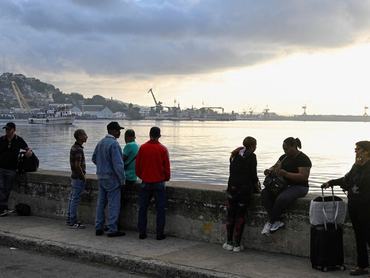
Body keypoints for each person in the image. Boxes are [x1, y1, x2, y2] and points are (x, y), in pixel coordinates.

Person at [322, 141, 370, 276]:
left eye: (358, 149)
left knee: (368, 236)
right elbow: (346, 179)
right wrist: (331, 182)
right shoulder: (356, 166)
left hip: (366, 207)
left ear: (366, 151)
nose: (356, 151)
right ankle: (362, 266)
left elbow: (361, 183)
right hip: (354, 205)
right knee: (359, 237)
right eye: (355, 149)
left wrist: (358, 167)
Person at [261, 137, 311, 234]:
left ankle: (270, 222)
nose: (285, 151)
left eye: (287, 149)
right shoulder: (284, 157)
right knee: (265, 194)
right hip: (283, 185)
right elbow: (275, 166)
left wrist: (286, 174)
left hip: (300, 187)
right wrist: (269, 170)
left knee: (282, 198)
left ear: (294, 146)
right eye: (284, 149)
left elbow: (304, 177)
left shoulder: (303, 159)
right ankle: (277, 221)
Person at [222, 137, 260, 252]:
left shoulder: (234, 154)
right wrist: (257, 187)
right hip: (244, 190)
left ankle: (228, 242)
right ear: (253, 146)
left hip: (232, 188)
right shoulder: (252, 156)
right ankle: (237, 244)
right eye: (256, 145)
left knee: (230, 215)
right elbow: (253, 175)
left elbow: (232, 172)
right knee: (240, 216)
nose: (256, 147)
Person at [135, 127, 170, 240]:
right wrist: (166, 178)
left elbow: (138, 167)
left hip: (145, 182)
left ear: (149, 134)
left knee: (143, 209)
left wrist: (143, 176)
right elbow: (167, 168)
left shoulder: (142, 148)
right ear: (159, 135)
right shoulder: (163, 149)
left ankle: (142, 233)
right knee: (160, 210)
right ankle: (159, 234)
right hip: (159, 182)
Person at [92, 122, 126, 237]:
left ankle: (98, 227)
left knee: (101, 203)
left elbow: (94, 158)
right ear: (113, 131)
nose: (120, 133)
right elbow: (118, 165)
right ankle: (112, 228)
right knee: (113, 204)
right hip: (112, 178)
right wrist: (122, 180)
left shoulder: (100, 142)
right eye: (118, 130)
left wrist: (102, 167)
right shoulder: (114, 144)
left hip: (101, 176)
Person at [0, 122, 32, 216]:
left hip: (11, 169)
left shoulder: (19, 140)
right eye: (6, 129)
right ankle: (2, 208)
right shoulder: (1, 140)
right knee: (1, 188)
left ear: (14, 130)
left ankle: (3, 208)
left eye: (9, 129)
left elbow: (27, 149)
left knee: (7, 189)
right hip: (0, 167)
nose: (7, 131)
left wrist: (28, 153)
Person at [66, 129, 88, 229]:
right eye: (85, 135)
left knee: (72, 198)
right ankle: (73, 221)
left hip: (74, 177)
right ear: (80, 137)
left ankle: (69, 219)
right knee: (75, 199)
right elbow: (77, 165)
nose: (86, 137)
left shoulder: (74, 147)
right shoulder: (78, 149)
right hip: (78, 178)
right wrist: (83, 177)